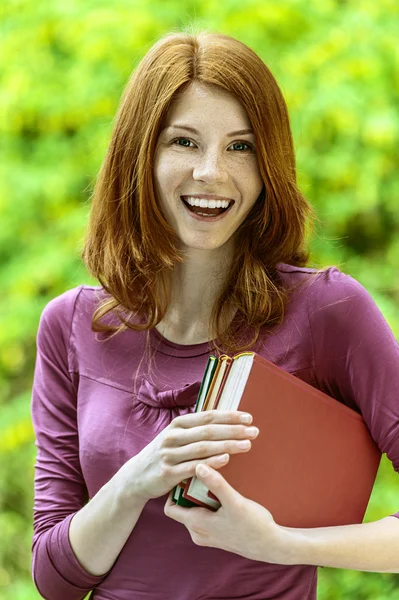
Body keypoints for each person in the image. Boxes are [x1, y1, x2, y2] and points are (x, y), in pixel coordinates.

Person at [31, 31, 399, 600]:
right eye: (183, 142)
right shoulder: (73, 324)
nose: (211, 172)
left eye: (241, 147)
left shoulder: (328, 312)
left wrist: (281, 544)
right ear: (140, 154)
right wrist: (135, 481)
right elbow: (53, 578)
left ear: (268, 163)